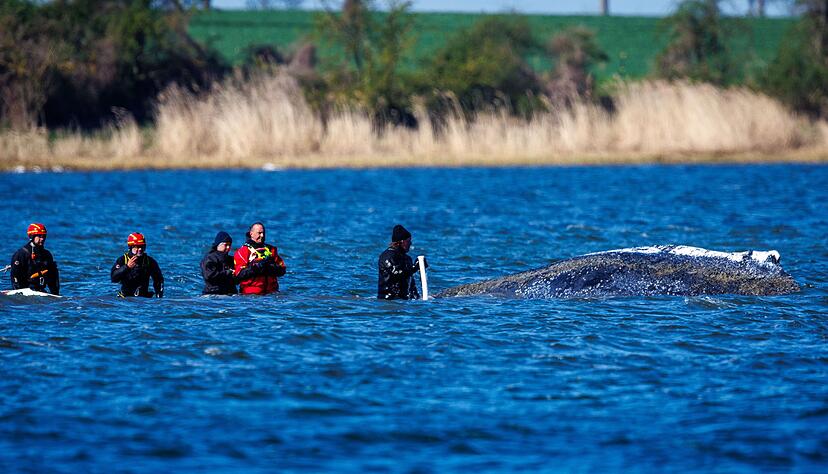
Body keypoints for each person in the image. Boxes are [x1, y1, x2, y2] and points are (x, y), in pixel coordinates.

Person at [233, 222, 286, 295]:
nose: (262, 235)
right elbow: (239, 275)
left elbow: (282, 270)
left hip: (272, 293)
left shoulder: (271, 250)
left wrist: (270, 266)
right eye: (259, 233)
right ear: (251, 234)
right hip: (251, 295)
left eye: (263, 233)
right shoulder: (243, 251)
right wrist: (254, 267)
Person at [377, 224, 426, 300]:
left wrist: (417, 298)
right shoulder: (387, 256)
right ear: (401, 242)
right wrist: (414, 268)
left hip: (404, 300)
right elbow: (397, 274)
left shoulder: (407, 258)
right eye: (408, 241)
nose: (411, 243)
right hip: (388, 299)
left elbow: (411, 283)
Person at [9, 223, 60, 295]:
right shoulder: (21, 254)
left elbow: (53, 277)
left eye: (44, 236)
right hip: (25, 291)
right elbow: (15, 275)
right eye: (39, 236)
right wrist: (19, 292)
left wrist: (55, 294)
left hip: (40, 291)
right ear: (32, 236)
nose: (42, 239)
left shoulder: (47, 255)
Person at [111, 232, 164, 298]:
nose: (140, 249)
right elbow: (113, 278)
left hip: (143, 299)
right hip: (126, 299)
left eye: (142, 246)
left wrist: (159, 298)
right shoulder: (122, 260)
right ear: (131, 247)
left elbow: (158, 280)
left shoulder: (150, 261)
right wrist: (127, 267)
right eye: (137, 247)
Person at [201, 231, 237, 295]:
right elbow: (209, 275)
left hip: (230, 293)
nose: (228, 247)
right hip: (213, 293)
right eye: (225, 245)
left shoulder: (231, 259)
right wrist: (228, 272)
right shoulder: (210, 258)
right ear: (218, 245)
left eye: (229, 245)